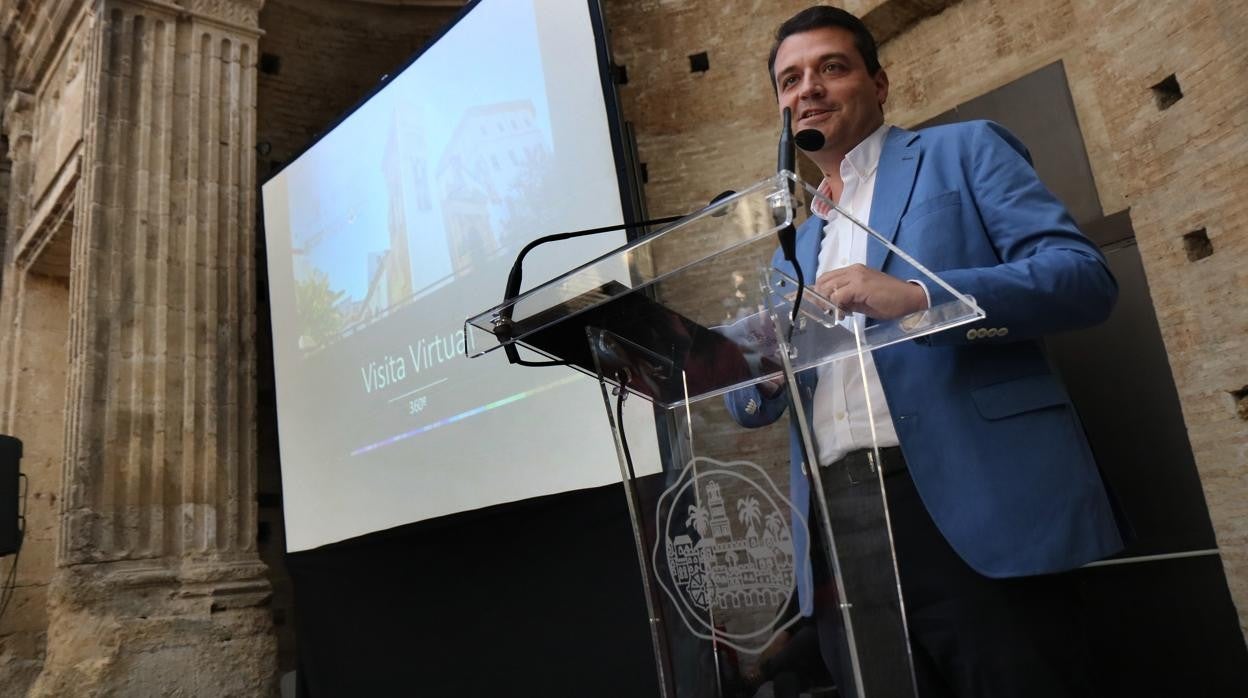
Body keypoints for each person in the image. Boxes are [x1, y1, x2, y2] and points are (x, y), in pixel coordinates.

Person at [725, 6, 1125, 697]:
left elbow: (1084, 280)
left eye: (831, 67)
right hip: (839, 530)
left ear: (879, 83)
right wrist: (758, 370)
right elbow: (747, 404)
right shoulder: (791, 250)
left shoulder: (964, 152)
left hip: (973, 501)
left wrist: (917, 296)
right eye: (790, 80)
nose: (808, 87)